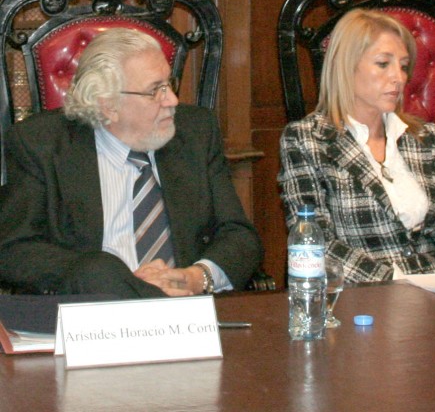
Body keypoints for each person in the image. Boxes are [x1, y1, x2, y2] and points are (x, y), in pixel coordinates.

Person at [0, 28, 263, 298]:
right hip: (93, 317)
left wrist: (197, 277)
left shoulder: (196, 132)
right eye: (155, 91)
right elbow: (14, 249)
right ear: (108, 105)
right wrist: (105, 276)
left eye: (168, 84)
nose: (172, 100)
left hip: (188, 315)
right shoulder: (41, 145)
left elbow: (239, 236)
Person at [278, 9, 435, 282]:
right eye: (383, 64)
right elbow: (314, 244)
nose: (399, 78)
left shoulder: (424, 138)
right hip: (362, 298)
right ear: (346, 65)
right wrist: (399, 286)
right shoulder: (307, 140)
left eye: (403, 66)